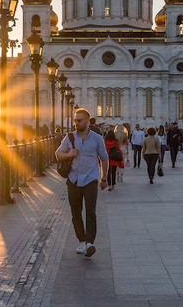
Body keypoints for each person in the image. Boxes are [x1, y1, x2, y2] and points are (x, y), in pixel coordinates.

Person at [55, 107, 108, 258]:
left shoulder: (97, 139)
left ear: (87, 121)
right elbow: (58, 154)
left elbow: (104, 158)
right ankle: (82, 240)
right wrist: (69, 154)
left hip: (91, 179)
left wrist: (104, 178)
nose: (76, 123)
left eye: (79, 120)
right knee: (75, 212)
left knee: (90, 211)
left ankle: (90, 243)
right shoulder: (70, 138)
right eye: (75, 120)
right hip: (73, 179)